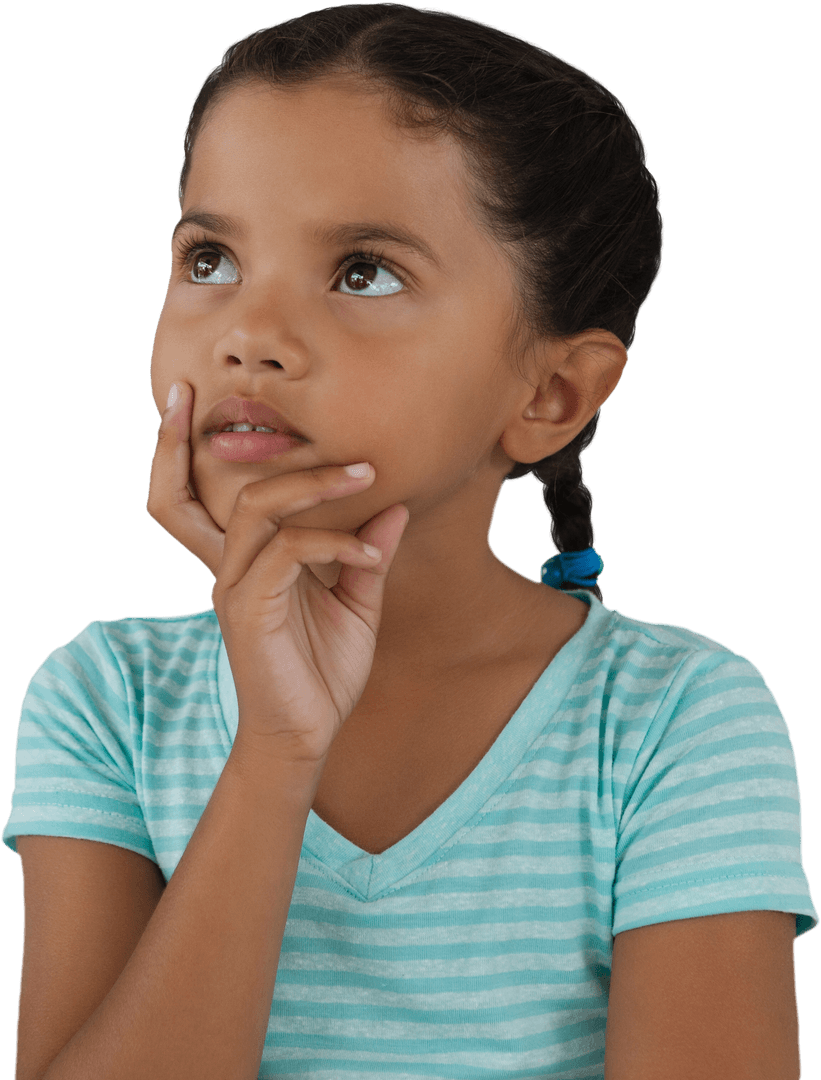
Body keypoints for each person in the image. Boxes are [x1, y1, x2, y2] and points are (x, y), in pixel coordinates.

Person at [4, 5, 816, 1079]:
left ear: (550, 392)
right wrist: (274, 754)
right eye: (209, 258)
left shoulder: (672, 722)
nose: (247, 333)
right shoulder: (107, 698)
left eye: (362, 273)